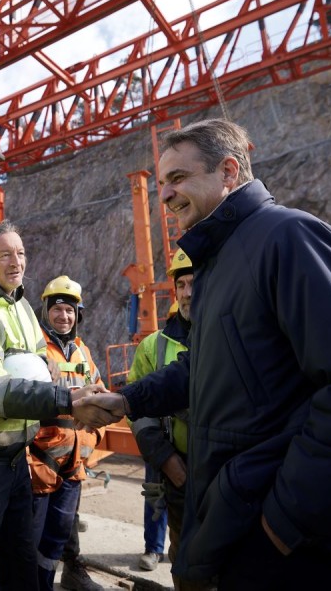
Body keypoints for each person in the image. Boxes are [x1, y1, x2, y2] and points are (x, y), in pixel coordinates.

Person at [73, 118, 331, 591]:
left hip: (288, 547)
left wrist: (281, 525)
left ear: (229, 172)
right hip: (240, 518)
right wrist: (128, 401)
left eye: (178, 178)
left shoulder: (290, 239)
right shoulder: (222, 261)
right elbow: (205, 367)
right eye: (161, 184)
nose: (166, 196)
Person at [0, 221, 107, 590]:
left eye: (21, 253)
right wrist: (68, 402)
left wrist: (71, 401)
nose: (17, 262)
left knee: (20, 566)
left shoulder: (23, 309)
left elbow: (45, 374)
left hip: (15, 461)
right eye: (5, 254)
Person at [27, 276, 105, 591]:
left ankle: (45, 585)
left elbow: (101, 392)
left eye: (70, 311)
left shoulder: (83, 352)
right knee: (26, 541)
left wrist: (95, 436)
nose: (64, 316)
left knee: (55, 540)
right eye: (57, 309)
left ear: (78, 315)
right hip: (39, 465)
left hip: (73, 469)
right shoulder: (35, 350)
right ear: (45, 310)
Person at [127, 249, 198, 586]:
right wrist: (165, 458)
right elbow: (138, 413)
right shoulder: (153, 347)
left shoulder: (236, 335)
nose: (186, 292)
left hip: (230, 471)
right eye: (180, 284)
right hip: (179, 471)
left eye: (194, 282)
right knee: (185, 560)